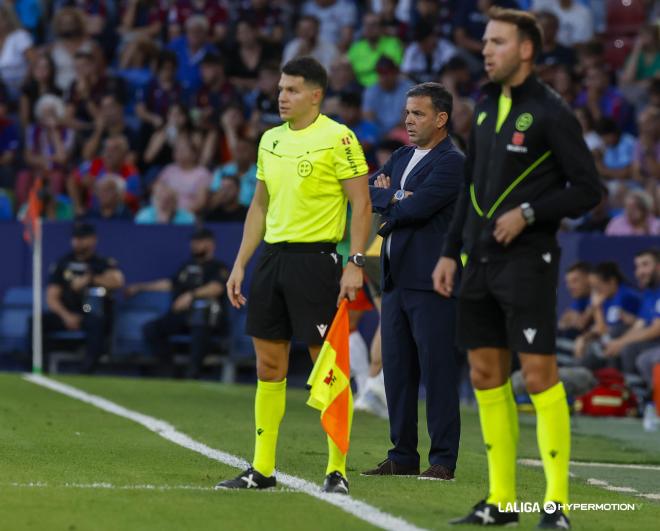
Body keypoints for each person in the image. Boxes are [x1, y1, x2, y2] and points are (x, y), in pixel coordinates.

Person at [432, 8, 601, 528]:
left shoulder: (552, 112)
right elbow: (470, 189)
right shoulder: (482, 106)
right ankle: (500, 501)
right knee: (485, 374)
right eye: (485, 41)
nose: (486, 50)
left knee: (537, 372)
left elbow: (588, 190)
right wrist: (448, 249)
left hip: (528, 260)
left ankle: (556, 506)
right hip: (478, 260)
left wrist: (529, 213)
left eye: (498, 42)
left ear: (526, 50)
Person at [215, 57, 370, 494]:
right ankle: (262, 470)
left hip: (317, 261)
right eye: (281, 89)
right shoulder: (269, 140)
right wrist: (241, 262)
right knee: (268, 365)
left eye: (292, 90)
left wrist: (355, 262)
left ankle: (337, 469)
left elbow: (362, 205)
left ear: (316, 95)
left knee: (329, 366)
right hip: (271, 260)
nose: (281, 96)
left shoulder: (339, 138)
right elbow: (259, 206)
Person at [361, 82, 464, 480]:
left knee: (437, 371)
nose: (408, 119)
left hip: (432, 279)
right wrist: (394, 198)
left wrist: (393, 199)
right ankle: (402, 455)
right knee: (398, 372)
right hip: (396, 278)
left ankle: (443, 460)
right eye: (407, 112)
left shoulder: (452, 162)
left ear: (441, 119)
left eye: (418, 113)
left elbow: (416, 208)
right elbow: (369, 192)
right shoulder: (402, 155)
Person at [128, 228, 228, 379]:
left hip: (207, 319)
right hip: (181, 316)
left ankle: (193, 372)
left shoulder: (218, 267)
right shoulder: (186, 267)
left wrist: (191, 295)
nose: (195, 246)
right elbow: (170, 284)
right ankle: (169, 370)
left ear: (210, 244)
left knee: (200, 322)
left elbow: (217, 288)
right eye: (193, 242)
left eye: (199, 242)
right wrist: (141, 287)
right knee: (151, 329)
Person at [40, 222, 124, 373]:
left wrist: (91, 279)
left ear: (93, 239)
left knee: (97, 321)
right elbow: (52, 297)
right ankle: (40, 367)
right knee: (37, 323)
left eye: (82, 238)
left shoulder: (101, 263)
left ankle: (87, 370)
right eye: (75, 238)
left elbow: (118, 281)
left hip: (88, 310)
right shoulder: (63, 263)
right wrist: (66, 316)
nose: (77, 241)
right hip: (67, 311)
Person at [603, 249, 660, 375]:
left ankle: (638, 392)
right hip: (654, 341)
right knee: (616, 339)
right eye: (637, 266)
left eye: (645, 265)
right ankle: (614, 387)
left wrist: (622, 342)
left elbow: (656, 329)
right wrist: (617, 343)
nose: (640, 272)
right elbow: (639, 325)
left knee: (633, 352)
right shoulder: (650, 292)